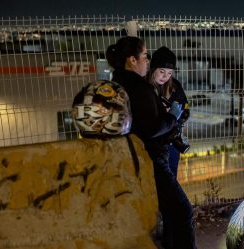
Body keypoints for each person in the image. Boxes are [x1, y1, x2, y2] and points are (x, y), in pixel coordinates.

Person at [105, 37, 196, 249]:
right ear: (132, 60)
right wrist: (171, 117)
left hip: (137, 158)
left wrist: (175, 117)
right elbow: (151, 129)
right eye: (145, 56)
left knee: (166, 209)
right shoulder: (139, 87)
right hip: (151, 159)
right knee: (181, 210)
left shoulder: (118, 83)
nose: (147, 60)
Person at [146, 46, 190, 178]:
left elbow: (186, 110)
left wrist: (176, 117)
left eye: (169, 73)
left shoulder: (174, 86)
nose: (165, 76)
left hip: (171, 143)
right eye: (162, 71)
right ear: (153, 68)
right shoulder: (144, 87)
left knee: (171, 180)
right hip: (151, 145)